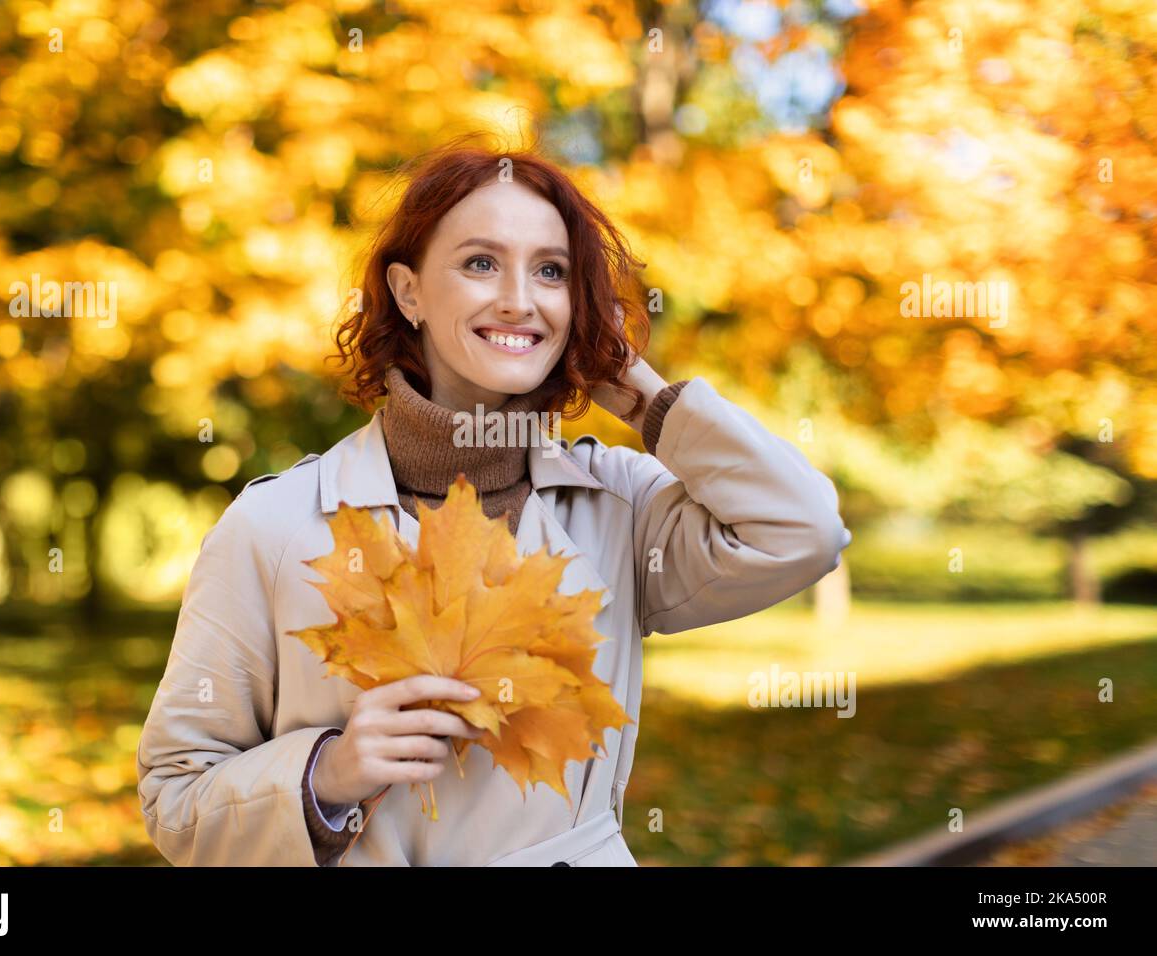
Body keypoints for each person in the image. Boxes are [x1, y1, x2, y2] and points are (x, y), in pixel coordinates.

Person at [136, 138, 852, 866]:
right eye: (481, 262)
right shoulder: (274, 526)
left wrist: (643, 398)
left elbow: (803, 530)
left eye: (551, 272)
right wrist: (329, 773)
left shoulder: (617, 507)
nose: (519, 298)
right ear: (408, 291)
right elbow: (176, 798)